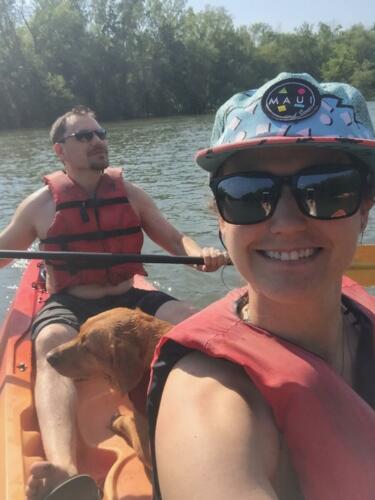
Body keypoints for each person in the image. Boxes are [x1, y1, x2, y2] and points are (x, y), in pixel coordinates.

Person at [148, 72, 375, 500]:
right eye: (248, 195)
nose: (286, 225)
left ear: (364, 207)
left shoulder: (359, 320)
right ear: (219, 216)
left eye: (328, 190)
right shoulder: (213, 403)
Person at [0, 105, 228, 500]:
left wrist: (200, 253)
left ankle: (211, 426)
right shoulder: (40, 205)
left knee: (191, 327)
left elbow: (175, 241)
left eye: (100, 133)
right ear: (61, 151)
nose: (98, 141)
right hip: (72, 302)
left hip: (130, 295)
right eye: (84, 136)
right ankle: (66, 469)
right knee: (51, 339)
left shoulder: (130, 193)